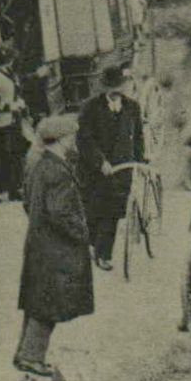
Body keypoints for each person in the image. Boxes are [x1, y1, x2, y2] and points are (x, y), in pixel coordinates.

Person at [13, 114, 92, 377]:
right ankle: (31, 357)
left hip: (39, 243)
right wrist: (82, 232)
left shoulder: (38, 164)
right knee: (49, 304)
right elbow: (60, 212)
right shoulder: (58, 171)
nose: (74, 141)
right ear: (61, 139)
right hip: (55, 248)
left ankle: (24, 352)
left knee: (37, 301)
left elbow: (28, 204)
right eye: (71, 137)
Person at [76, 65, 144, 272]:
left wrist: (140, 161)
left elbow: (138, 137)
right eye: (112, 89)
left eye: (119, 89)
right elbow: (84, 139)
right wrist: (100, 162)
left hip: (123, 169)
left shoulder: (133, 107)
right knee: (94, 210)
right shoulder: (90, 107)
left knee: (112, 212)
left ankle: (104, 254)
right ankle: (92, 244)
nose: (116, 93)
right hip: (94, 170)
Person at [0, 42, 28, 201]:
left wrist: (20, 102)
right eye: (10, 59)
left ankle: (14, 188)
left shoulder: (9, 72)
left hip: (11, 120)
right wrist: (11, 106)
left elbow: (15, 90)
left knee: (14, 155)